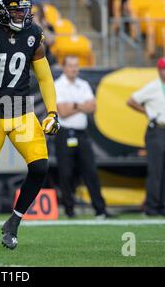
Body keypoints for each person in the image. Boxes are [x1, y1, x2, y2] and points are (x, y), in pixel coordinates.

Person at [0, 0, 60, 251]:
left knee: (40, 167)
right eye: (16, 10)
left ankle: (14, 222)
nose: (22, 15)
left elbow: (44, 77)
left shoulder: (33, 34)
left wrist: (52, 111)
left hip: (21, 111)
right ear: (1, 11)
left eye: (23, 10)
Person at [54, 56, 110, 219]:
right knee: (66, 173)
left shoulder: (83, 84)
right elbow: (62, 112)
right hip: (64, 132)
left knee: (90, 171)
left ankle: (100, 210)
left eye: (76, 66)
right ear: (64, 67)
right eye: (70, 66)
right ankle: (69, 209)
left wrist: (73, 105)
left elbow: (93, 106)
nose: (74, 69)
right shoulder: (58, 85)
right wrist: (81, 105)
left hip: (81, 132)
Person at [127, 56, 165, 216]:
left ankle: (162, 206)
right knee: (156, 171)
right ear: (159, 70)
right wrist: (148, 112)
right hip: (157, 130)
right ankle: (151, 207)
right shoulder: (153, 86)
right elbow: (131, 100)